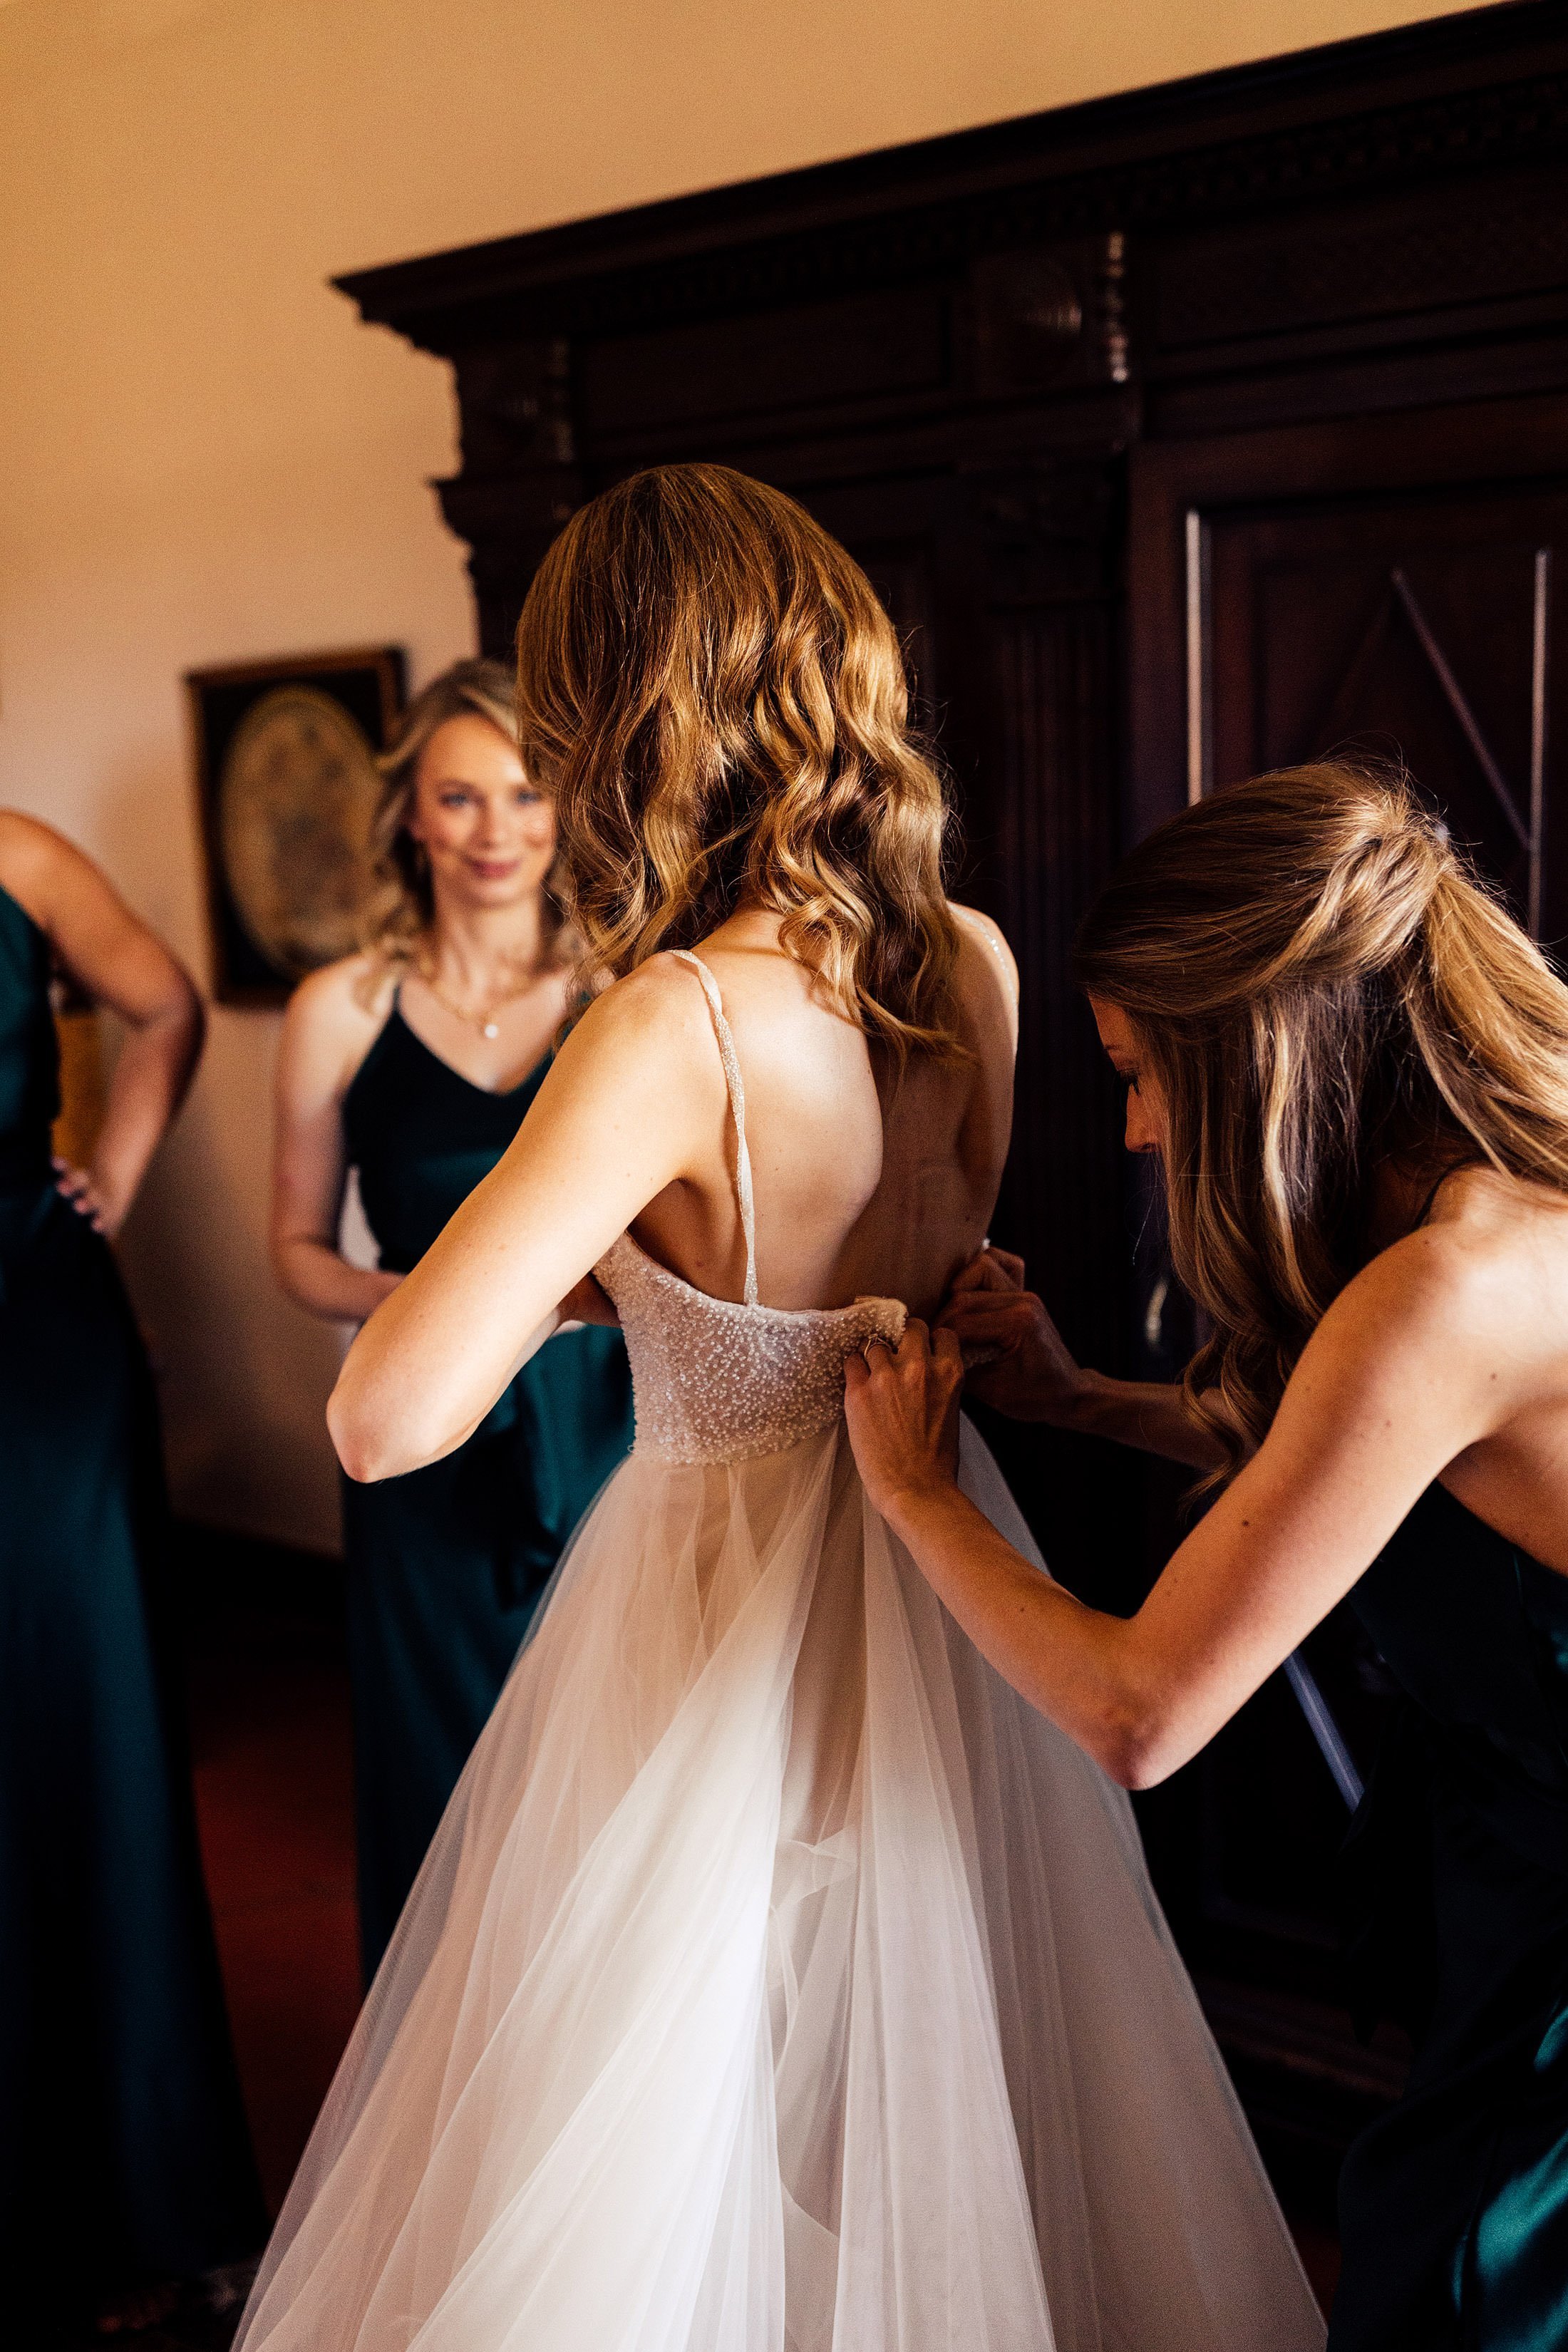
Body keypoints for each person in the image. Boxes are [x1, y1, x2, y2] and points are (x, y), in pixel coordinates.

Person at [235, 466, 1323, 2352]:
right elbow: (908, 1277)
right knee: (928, 2059)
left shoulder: (668, 1022)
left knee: (674, 2112)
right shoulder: (965, 963)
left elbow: (384, 1418)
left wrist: (587, 1274)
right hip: (945, 1561)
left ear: (622, 716)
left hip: (718, 1600)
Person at [845, 760, 1568, 2352]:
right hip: (1507, 1867)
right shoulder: (1465, 1221)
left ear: (1258, 1049)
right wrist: (1074, 1400)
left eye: (1139, 1072)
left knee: (1457, 2298)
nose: (1129, 1128)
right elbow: (1351, 1470)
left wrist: (916, 1496)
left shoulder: (1448, 1288)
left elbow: (1137, 1715)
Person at [270, 659, 633, 1976]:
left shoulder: (628, 997)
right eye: (461, 798)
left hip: (617, 1432)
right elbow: (298, 1253)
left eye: (528, 795)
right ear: (412, 816)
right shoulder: (340, 1010)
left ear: (566, 808)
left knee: (615, 1772)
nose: (497, 832)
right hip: (424, 1445)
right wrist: (437, 1308)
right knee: (443, 1781)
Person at [0, 811, 265, 2333]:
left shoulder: (20, 860)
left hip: (32, 1331)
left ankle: (154, 2192)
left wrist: (107, 1163)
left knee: (86, 1733)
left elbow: (163, 1002)